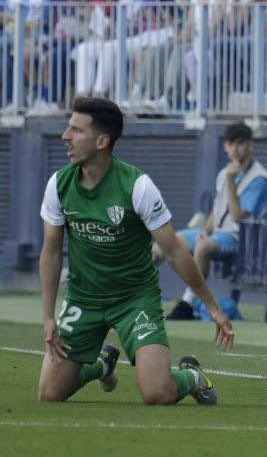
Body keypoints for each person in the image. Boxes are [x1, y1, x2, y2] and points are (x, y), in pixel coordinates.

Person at [38, 97, 234, 404]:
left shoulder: (137, 186)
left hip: (134, 299)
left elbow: (173, 250)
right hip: (83, 298)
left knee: (157, 394)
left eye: (76, 130)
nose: (65, 135)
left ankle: (192, 376)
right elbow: (50, 253)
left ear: (102, 141)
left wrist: (212, 306)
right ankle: (102, 365)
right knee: (49, 394)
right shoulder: (58, 185)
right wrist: (48, 316)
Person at [165, 122, 267, 320]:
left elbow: (236, 216)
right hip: (217, 234)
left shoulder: (261, 179)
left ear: (251, 145)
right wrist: (205, 230)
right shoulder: (224, 173)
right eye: (230, 143)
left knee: (202, 248)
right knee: (166, 242)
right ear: (225, 146)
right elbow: (217, 210)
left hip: (241, 240)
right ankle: (134, 298)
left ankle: (187, 304)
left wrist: (232, 182)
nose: (234, 149)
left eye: (240, 143)